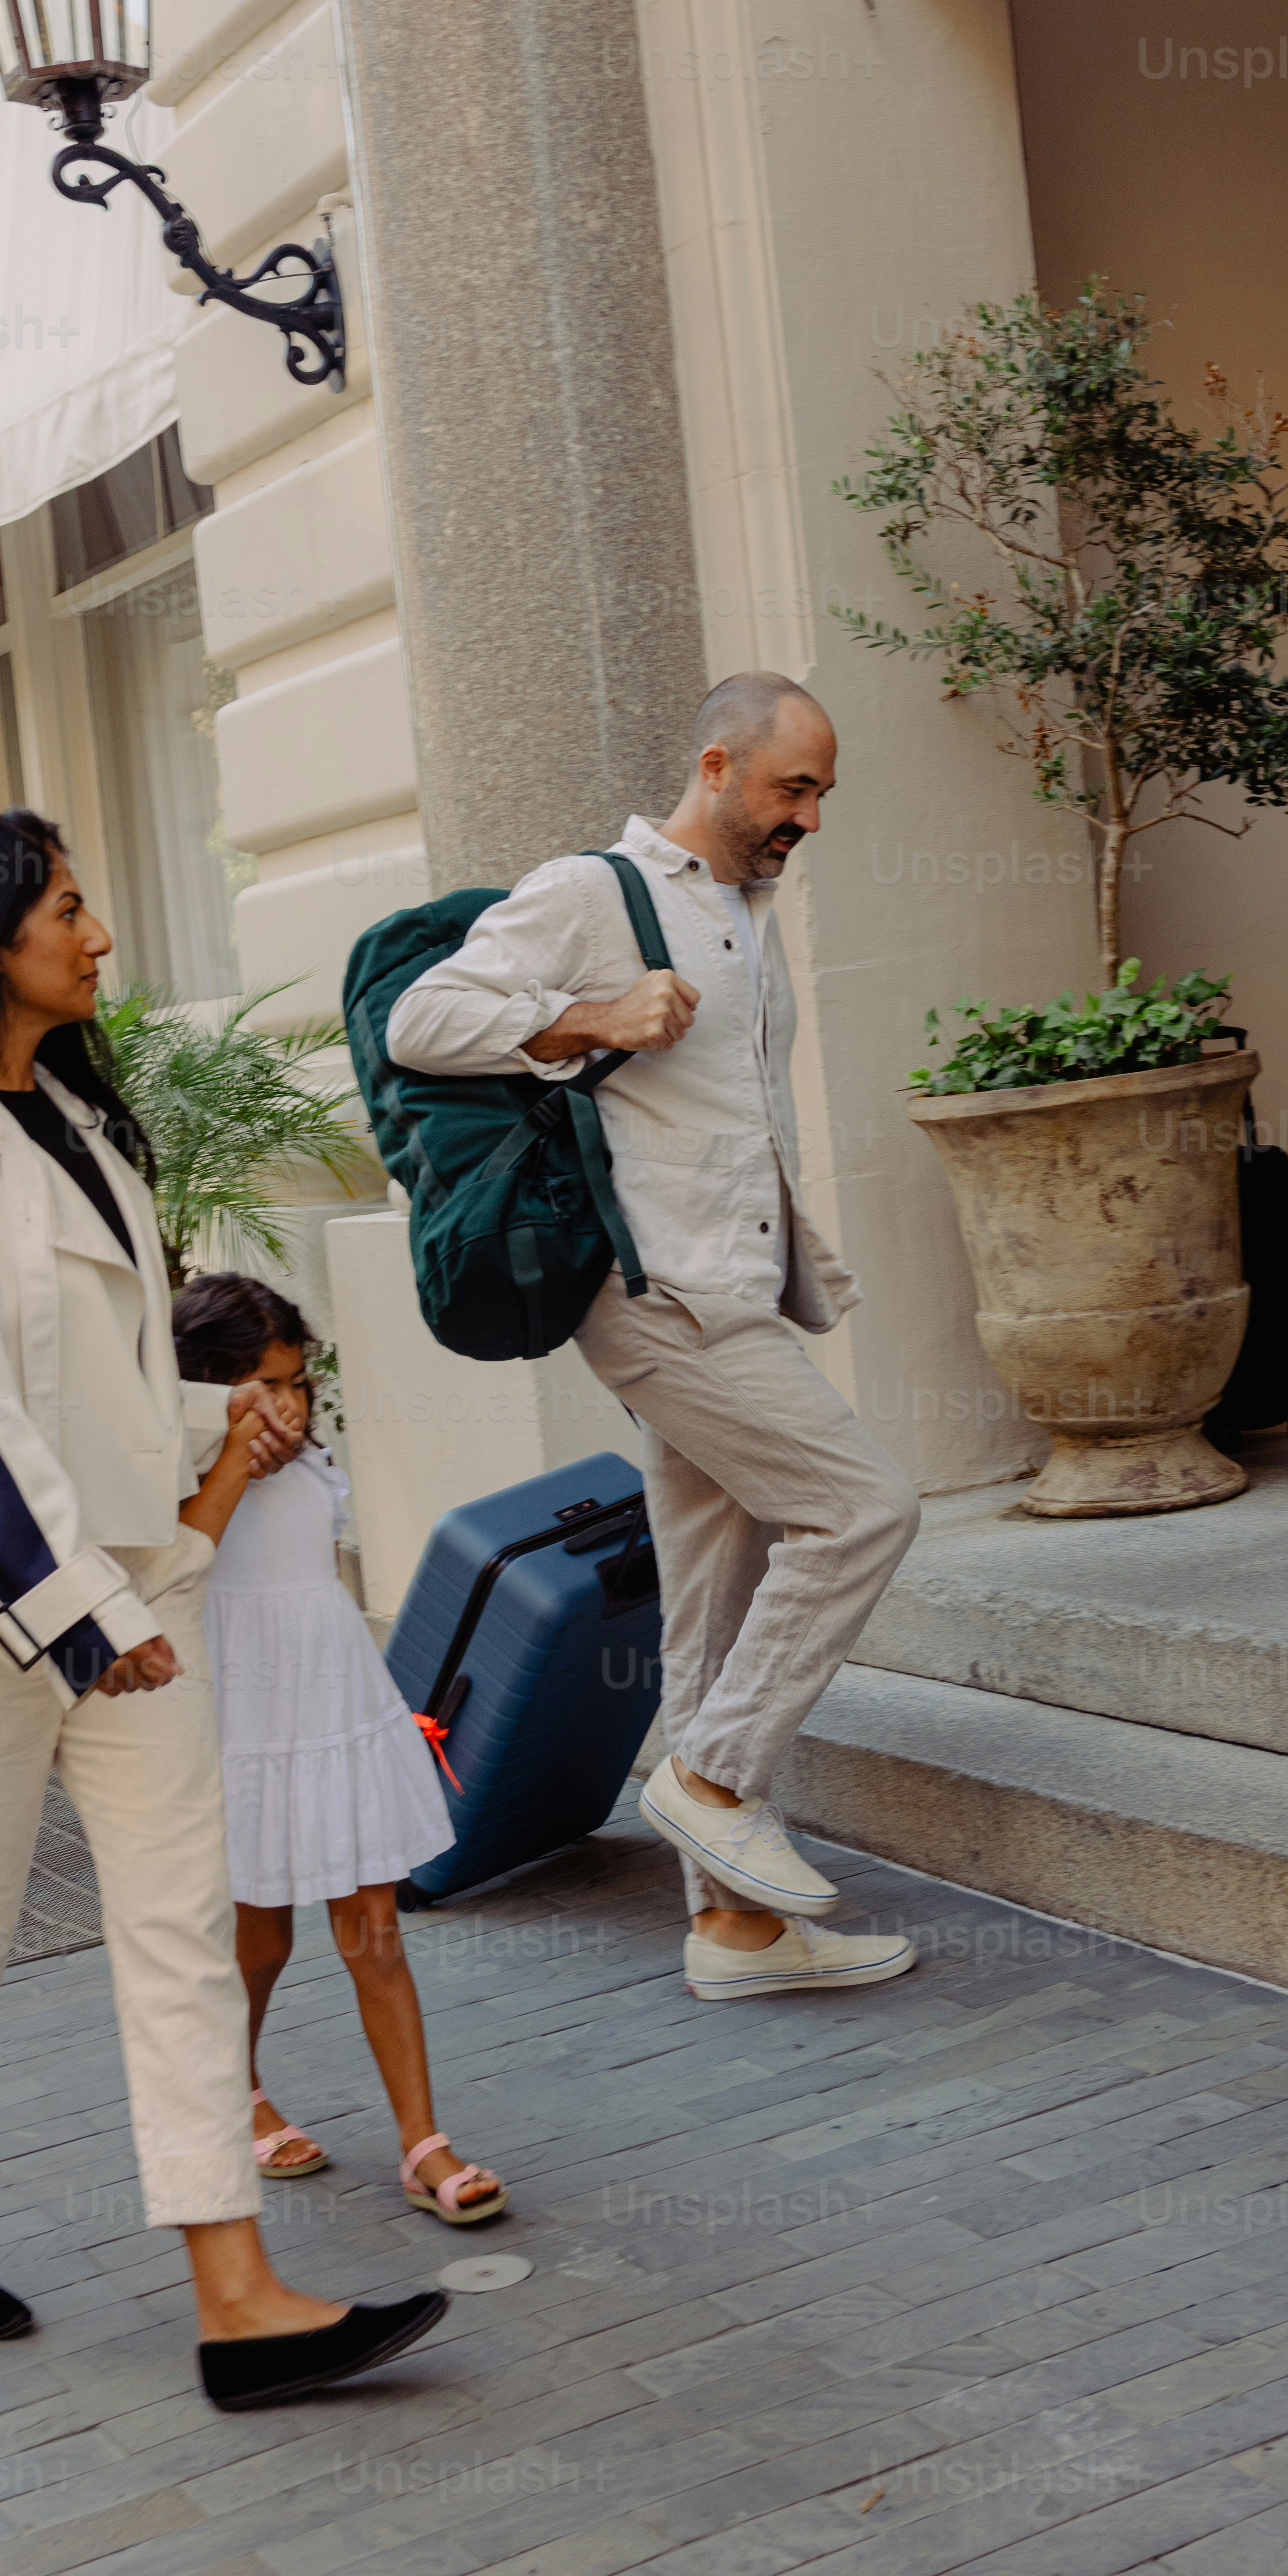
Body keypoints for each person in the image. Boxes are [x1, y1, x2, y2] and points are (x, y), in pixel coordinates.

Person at [0, 808, 446, 2410]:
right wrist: (78, 1606)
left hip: (132, 1592)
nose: (97, 938)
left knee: (178, 1934)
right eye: (69, 911)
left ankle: (237, 2297)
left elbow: (112, 1379)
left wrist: (212, 1445)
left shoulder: (88, 1122)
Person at [384, 676, 922, 2000]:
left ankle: (732, 1932)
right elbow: (422, 1023)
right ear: (718, 764)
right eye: (791, 790)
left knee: (713, 1609)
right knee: (863, 1510)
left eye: (821, 796)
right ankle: (708, 1780)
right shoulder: (590, 892)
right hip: (658, 1299)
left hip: (731, 1291)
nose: (808, 817)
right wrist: (590, 1020)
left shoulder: (746, 909)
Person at [172, 1271, 506, 2225]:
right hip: (246, 1724)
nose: (285, 1405)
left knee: (374, 1933)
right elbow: (181, 1563)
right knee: (260, 1939)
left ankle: (422, 2145)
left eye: (297, 1383)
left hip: (334, 1709)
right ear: (207, 1386)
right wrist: (232, 1456)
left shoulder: (312, 1460)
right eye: (263, 1386)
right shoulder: (186, 1465)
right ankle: (235, 2093)